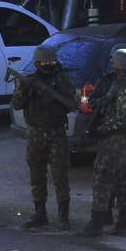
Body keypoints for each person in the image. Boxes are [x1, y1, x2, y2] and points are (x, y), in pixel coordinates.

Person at [82, 48, 126, 237]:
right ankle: (123, 224)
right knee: (124, 180)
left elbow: (121, 117)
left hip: (116, 138)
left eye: (115, 61)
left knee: (102, 178)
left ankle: (96, 224)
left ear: (120, 64)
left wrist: (102, 130)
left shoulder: (124, 86)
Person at [12, 45, 77, 230]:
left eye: (51, 61)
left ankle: (63, 218)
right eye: (44, 62)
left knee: (60, 175)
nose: (48, 65)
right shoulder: (30, 81)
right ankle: (40, 214)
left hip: (56, 132)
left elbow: (71, 104)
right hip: (35, 133)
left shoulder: (61, 80)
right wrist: (24, 90)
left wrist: (52, 96)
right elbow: (16, 105)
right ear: (37, 63)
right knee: (37, 174)